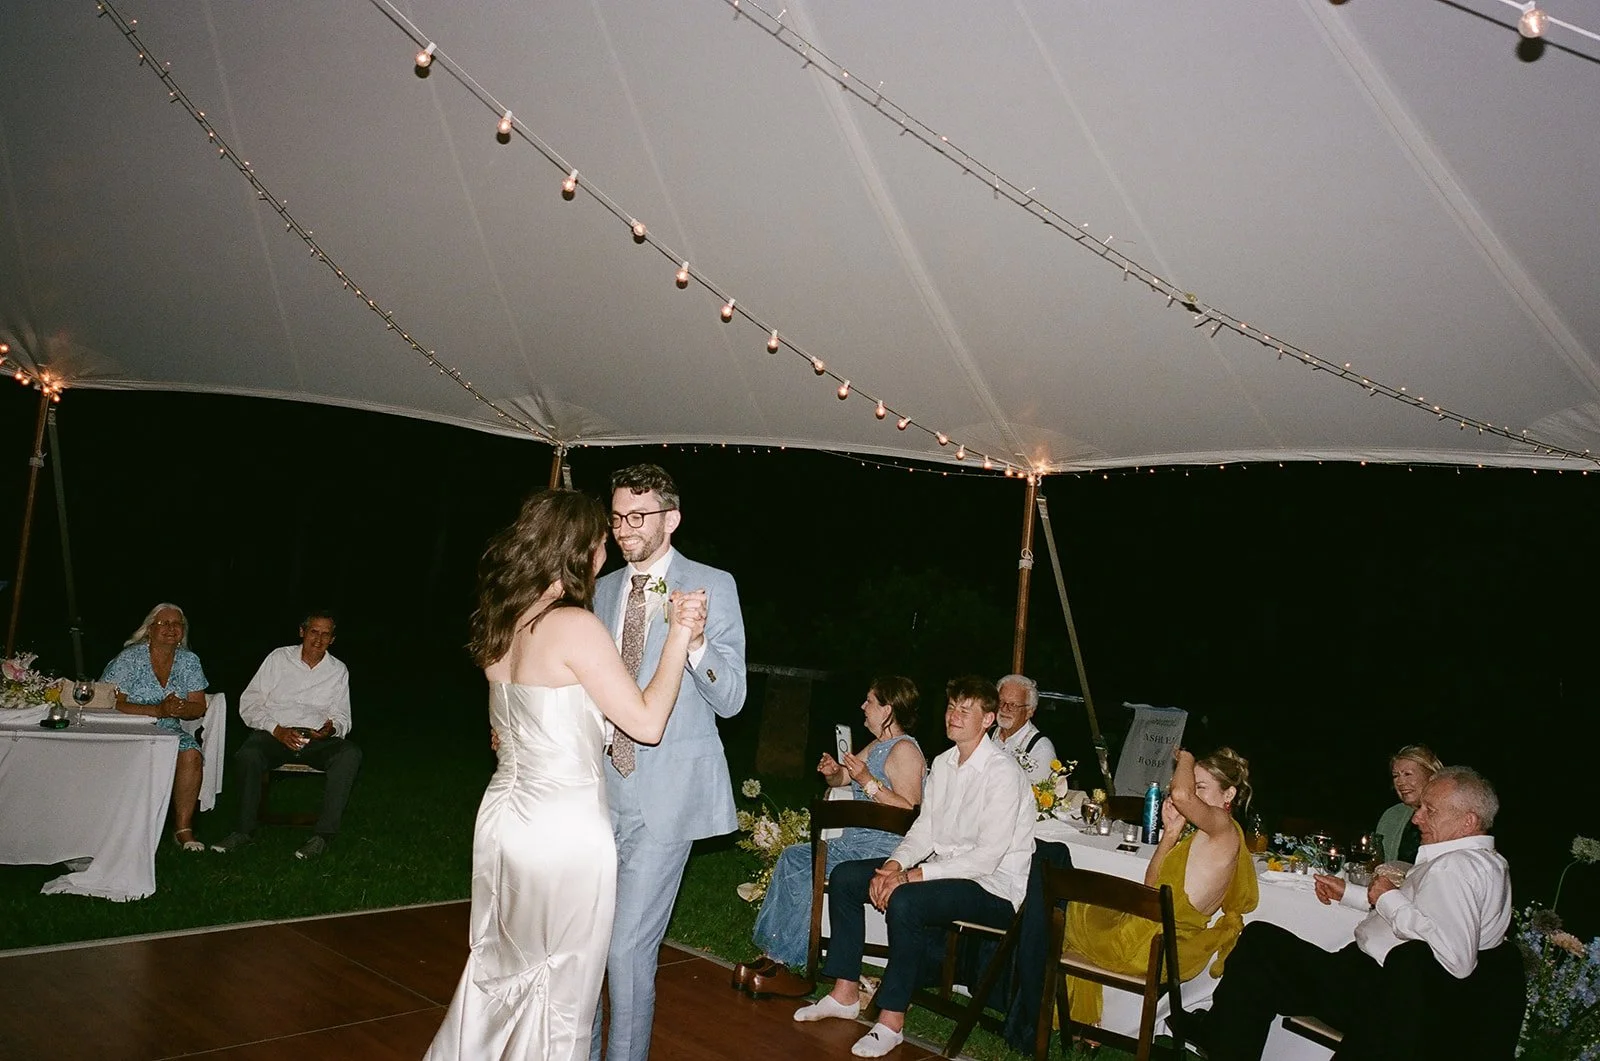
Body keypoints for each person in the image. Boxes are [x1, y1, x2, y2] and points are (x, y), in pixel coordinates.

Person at [425, 490, 707, 1061]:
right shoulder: (574, 626)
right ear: (578, 550)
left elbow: (509, 732)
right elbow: (648, 723)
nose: (607, 548)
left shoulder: (504, 623)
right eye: (600, 540)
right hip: (564, 829)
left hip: (505, 818)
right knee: (565, 982)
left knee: (503, 964)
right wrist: (679, 633)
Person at [1190, 765, 1512, 1060]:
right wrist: (1355, 895)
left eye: (1430, 810)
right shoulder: (1490, 864)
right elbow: (1426, 917)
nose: (1417, 819)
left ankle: (1217, 1038)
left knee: (1260, 945)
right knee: (1261, 967)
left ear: (1467, 821)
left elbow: (1457, 958)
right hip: (1383, 986)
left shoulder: (1455, 868)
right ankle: (1221, 1035)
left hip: (1379, 993)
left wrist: (1388, 899)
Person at [591, 464, 747, 1061]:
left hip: (666, 798)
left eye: (638, 516)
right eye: (617, 517)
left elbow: (731, 699)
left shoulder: (712, 584)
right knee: (589, 942)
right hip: (597, 792)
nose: (624, 529)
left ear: (671, 519)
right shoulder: (604, 590)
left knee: (628, 949)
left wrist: (698, 641)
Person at [793, 676, 1034, 1059]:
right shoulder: (944, 763)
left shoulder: (1003, 772)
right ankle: (844, 993)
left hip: (994, 888)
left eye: (965, 710)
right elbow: (924, 831)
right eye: (951, 706)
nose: (953, 716)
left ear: (988, 720)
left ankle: (891, 1021)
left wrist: (911, 876)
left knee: (907, 900)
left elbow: (987, 857)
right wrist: (893, 864)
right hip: (949, 872)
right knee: (847, 877)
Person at [733, 677, 927, 997]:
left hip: (881, 849)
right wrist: (833, 772)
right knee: (794, 857)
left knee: (801, 862)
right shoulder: (877, 745)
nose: (863, 707)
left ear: (888, 710)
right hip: (853, 843)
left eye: (869, 701)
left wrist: (868, 782)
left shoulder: (905, 750)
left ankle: (786, 961)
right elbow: (845, 778)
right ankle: (772, 955)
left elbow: (909, 810)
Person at [1063, 747, 1259, 1025]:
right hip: (1154, 939)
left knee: (1073, 907)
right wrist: (1171, 833)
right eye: (1194, 786)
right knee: (1080, 907)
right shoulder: (1205, 833)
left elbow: (1180, 794)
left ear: (1228, 795)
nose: (1194, 795)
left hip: (1161, 948)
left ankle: (1064, 1017)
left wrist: (1187, 758)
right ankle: (1083, 1024)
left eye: (1200, 787)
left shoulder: (1222, 825)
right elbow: (1152, 884)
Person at [210, 612, 361, 861]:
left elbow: (343, 717)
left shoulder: (338, 670)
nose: (318, 639)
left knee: (350, 754)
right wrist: (276, 729)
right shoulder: (279, 658)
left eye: (326, 634)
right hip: (275, 733)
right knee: (248, 755)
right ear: (302, 632)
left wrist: (330, 730)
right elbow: (249, 704)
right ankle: (243, 830)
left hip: (315, 739)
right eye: (314, 631)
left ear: (332, 640)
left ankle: (323, 836)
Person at [101, 603, 210, 851]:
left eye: (177, 624)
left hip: (168, 730)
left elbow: (199, 706)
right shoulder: (130, 658)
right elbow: (109, 702)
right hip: (129, 728)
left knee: (191, 753)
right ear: (149, 629)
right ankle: (121, 826)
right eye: (164, 623)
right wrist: (156, 710)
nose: (171, 629)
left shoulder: (189, 661)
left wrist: (181, 708)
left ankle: (183, 828)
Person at [1375, 743, 1442, 864]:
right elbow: (1380, 864)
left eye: (1407, 774)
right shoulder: (1393, 815)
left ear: (1431, 776)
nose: (1400, 782)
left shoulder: (1451, 816)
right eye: (1396, 776)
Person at [992, 673, 1056, 783]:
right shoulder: (985, 734)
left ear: (1029, 711)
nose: (1005, 709)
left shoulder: (1040, 749)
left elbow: (1036, 798)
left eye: (1013, 705)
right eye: (1001, 702)